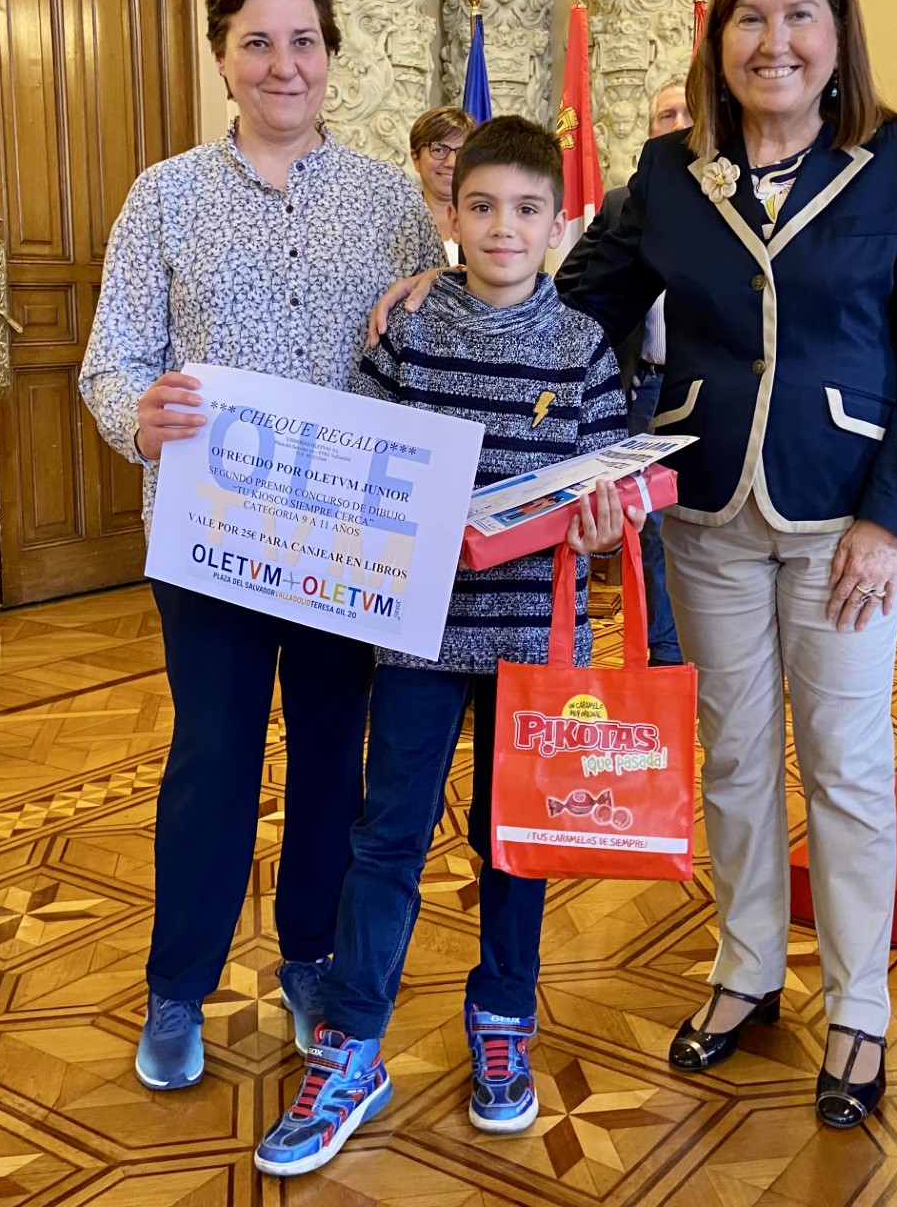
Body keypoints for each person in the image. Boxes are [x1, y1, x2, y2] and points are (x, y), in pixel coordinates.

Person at [375, 0, 897, 1130]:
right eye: (751, 18)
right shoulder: (669, 170)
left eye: (799, 16)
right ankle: (746, 970)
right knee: (735, 755)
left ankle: (858, 1009)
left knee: (847, 764)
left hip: (845, 518)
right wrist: (445, 293)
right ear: (720, 40)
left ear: (837, 35)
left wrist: (892, 521)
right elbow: (569, 302)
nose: (774, 42)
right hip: (702, 510)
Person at [79, 0, 445, 1093]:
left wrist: (435, 306)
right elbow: (112, 360)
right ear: (221, 58)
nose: (283, 64)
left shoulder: (389, 201)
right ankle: (177, 985)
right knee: (214, 759)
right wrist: (136, 417)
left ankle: (311, 962)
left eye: (303, 41)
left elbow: (425, 354)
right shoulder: (164, 195)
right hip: (210, 540)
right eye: (257, 42)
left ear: (330, 56)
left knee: (334, 760)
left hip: (346, 542)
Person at [253, 115, 633, 1177]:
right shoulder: (411, 332)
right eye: (482, 207)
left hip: (537, 643)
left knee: (517, 841)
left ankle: (503, 1017)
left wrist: (609, 525)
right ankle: (351, 1044)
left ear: (556, 224)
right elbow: (358, 458)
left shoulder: (584, 346)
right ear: (451, 215)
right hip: (418, 637)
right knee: (387, 839)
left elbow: (615, 485)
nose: (504, 228)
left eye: (526, 210)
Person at [557, 79, 690, 667]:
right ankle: (664, 652)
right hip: (638, 388)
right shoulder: (620, 205)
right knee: (648, 521)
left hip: (699, 389)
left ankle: (702, 647)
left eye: (689, 112)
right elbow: (570, 295)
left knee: (696, 522)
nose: (678, 122)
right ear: (650, 131)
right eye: (667, 114)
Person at [409, 105, 473, 264]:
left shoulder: (485, 221)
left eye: (462, 151)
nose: (451, 163)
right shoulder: (398, 223)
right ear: (416, 159)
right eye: (439, 150)